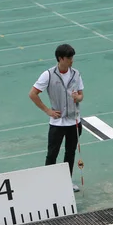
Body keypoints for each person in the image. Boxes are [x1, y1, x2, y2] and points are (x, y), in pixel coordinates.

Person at [29, 44, 84, 192]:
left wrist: (76, 97)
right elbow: (33, 94)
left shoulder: (76, 74)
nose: (72, 60)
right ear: (60, 59)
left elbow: (81, 95)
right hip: (57, 123)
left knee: (70, 152)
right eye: (69, 58)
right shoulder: (48, 74)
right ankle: (48, 183)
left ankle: (67, 182)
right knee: (52, 153)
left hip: (74, 121)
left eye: (72, 58)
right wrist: (48, 110)